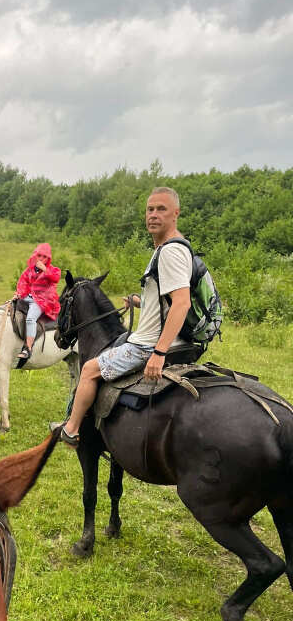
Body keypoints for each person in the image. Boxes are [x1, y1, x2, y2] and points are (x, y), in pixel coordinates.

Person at [60, 187, 192, 446]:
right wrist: (141, 303)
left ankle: (71, 429)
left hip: (148, 344)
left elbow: (182, 303)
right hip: (156, 337)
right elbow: (168, 300)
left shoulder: (170, 252)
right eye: (150, 209)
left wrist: (159, 353)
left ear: (175, 213)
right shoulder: (172, 246)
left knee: (88, 370)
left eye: (161, 209)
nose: (153, 215)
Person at [14, 243, 61, 360]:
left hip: (42, 300)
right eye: (40, 256)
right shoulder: (29, 270)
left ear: (48, 259)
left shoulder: (51, 270)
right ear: (35, 255)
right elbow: (23, 283)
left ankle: (28, 348)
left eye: (45, 257)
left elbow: (56, 278)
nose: (41, 259)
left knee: (30, 319)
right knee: (10, 307)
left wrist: (45, 269)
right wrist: (19, 293)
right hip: (28, 296)